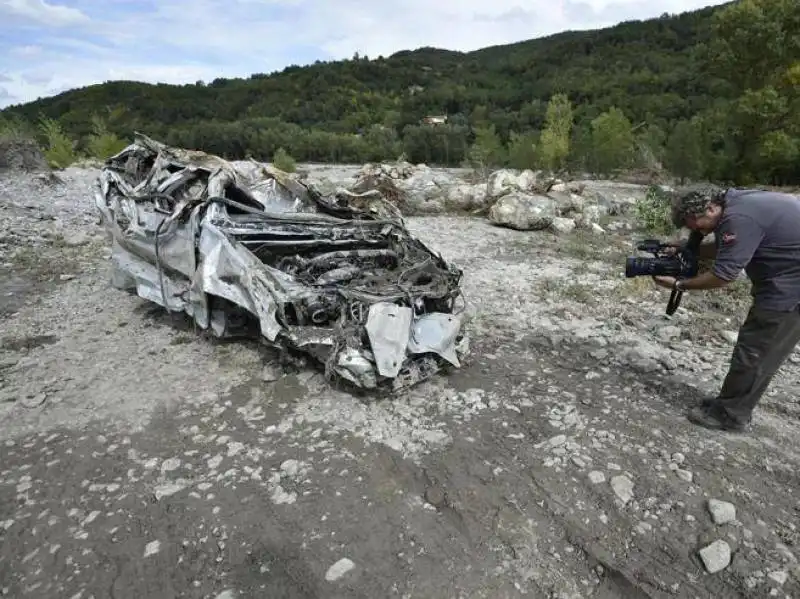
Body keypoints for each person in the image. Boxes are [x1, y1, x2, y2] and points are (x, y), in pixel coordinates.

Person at [653, 184, 800, 432]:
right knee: (754, 347)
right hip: (787, 279)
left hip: (790, 289)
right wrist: (688, 249)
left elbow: (724, 274)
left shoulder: (738, 217)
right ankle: (731, 402)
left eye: (695, 224)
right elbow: (727, 246)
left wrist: (680, 284)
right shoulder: (737, 202)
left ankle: (731, 415)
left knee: (756, 350)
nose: (696, 230)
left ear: (710, 208)